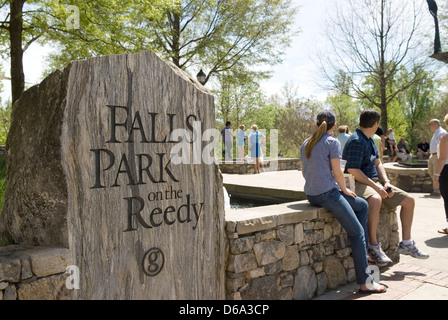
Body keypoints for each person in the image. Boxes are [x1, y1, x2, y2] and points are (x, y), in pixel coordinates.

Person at [300, 110, 386, 294]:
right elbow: (338, 173)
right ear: (333, 126)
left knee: (362, 205)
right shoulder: (332, 142)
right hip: (328, 195)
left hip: (311, 195)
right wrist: (345, 190)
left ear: (318, 124)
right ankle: (365, 282)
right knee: (357, 233)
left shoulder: (306, 143)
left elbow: (304, 171)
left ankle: (362, 253)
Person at [343, 109, 429, 267]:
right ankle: (373, 247)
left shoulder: (368, 139)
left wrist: (386, 181)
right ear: (375, 124)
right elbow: (353, 171)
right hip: (356, 183)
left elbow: (378, 162)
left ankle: (406, 244)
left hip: (373, 181)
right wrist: (376, 187)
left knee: (409, 201)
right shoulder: (356, 140)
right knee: (375, 199)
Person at [435, 114, 448, 234]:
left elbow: (443, 158)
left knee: (447, 198)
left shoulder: (445, 138)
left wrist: (436, 175)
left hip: (446, 170)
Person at [429, 119, 448, 196]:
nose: (429, 126)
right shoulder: (435, 133)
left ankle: (437, 190)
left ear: (435, 124)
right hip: (433, 155)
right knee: (431, 171)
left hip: (439, 156)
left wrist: (437, 175)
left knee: (436, 173)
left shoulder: (442, 133)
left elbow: (443, 155)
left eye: (430, 124)